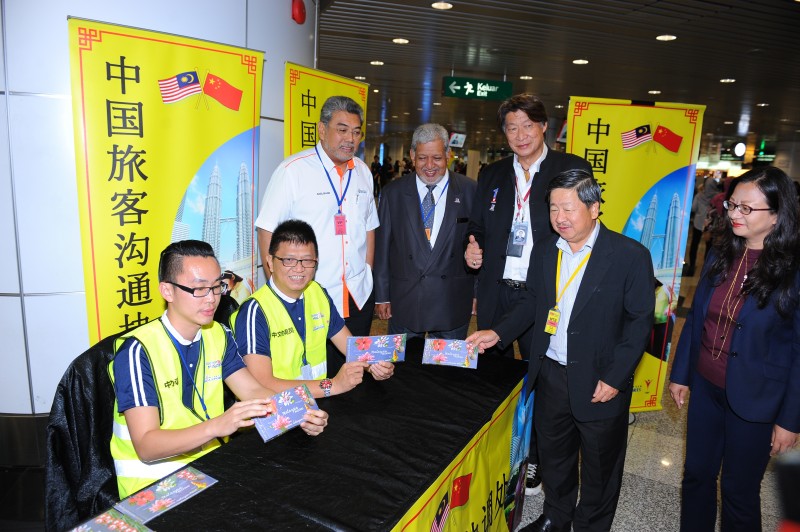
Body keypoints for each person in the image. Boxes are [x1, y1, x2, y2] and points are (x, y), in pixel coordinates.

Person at [468, 170, 654, 532]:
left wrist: (615, 377)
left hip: (601, 379)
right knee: (555, 455)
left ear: (594, 208)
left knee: (600, 465)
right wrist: (498, 331)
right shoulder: (545, 250)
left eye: (568, 208)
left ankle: (591, 525)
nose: (560, 217)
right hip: (551, 371)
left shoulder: (629, 255)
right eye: (554, 208)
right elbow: (533, 301)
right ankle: (556, 515)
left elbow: (639, 322)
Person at [109, 240, 328, 498]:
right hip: (153, 488)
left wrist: (299, 411)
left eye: (217, 287)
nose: (212, 299)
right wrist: (217, 426)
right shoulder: (137, 351)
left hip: (209, 469)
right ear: (167, 291)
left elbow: (253, 390)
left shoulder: (218, 335)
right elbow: (146, 445)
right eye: (200, 289)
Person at [464, 92, 592, 495]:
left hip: (545, 292)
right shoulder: (493, 174)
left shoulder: (569, 169)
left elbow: (582, 224)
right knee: (495, 373)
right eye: (511, 127)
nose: (519, 135)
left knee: (539, 377)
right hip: (497, 289)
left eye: (527, 126)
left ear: (543, 128)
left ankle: (535, 458)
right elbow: (480, 226)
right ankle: (503, 446)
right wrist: (472, 243)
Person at [669, 166, 800, 531]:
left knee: (738, 490)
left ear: (776, 215)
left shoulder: (792, 270)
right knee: (696, 474)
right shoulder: (722, 252)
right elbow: (697, 318)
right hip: (707, 386)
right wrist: (681, 374)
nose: (734, 214)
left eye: (747, 208)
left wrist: (790, 420)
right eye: (732, 205)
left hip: (757, 398)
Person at [255, 96, 379, 339]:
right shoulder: (293, 171)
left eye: (356, 132)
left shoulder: (363, 171)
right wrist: (279, 294)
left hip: (358, 296)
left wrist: (368, 271)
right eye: (342, 130)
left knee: (355, 370)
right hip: (311, 298)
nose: (350, 139)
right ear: (322, 130)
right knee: (317, 372)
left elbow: (369, 227)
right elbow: (266, 231)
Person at [234, 220, 394, 399]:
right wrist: (331, 386)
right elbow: (261, 385)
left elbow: (351, 346)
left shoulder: (317, 293)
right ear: (270, 262)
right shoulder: (254, 311)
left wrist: (373, 363)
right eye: (288, 260)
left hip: (318, 405)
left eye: (307, 260)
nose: (299, 268)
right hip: (281, 413)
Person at [373, 123, 476, 343]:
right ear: (412, 155)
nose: (429, 166)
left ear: (449, 154)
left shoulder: (470, 190)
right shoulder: (393, 193)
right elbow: (382, 249)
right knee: (402, 373)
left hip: (452, 300)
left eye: (437, 158)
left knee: (447, 374)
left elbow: (481, 245)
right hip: (406, 300)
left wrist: (477, 293)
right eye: (422, 158)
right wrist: (382, 295)